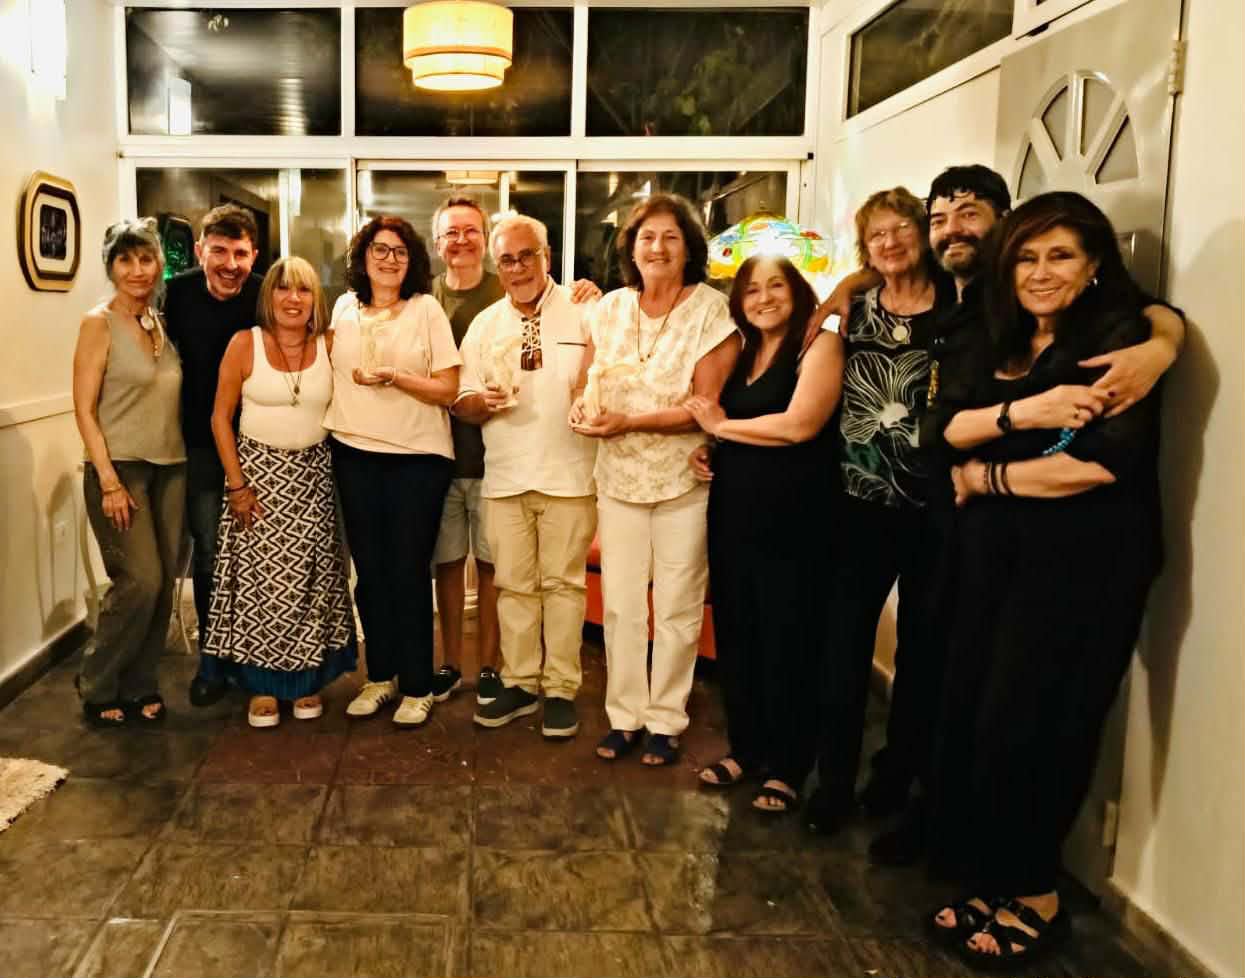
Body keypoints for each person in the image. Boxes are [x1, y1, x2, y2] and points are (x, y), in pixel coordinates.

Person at [926, 192, 1165, 969]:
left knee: (1037, 726)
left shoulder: (1118, 341)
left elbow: (1096, 464)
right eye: (1025, 256)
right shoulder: (994, 332)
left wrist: (983, 477)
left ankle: (1035, 894)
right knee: (979, 716)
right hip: (991, 556)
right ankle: (995, 877)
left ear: (1094, 263)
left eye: (1059, 255)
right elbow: (943, 429)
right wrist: (1024, 415)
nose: (1038, 272)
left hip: (1081, 564)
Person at [571, 193, 737, 766]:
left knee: (677, 605)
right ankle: (624, 717)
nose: (658, 247)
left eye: (670, 237)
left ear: (689, 248)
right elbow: (585, 380)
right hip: (617, 478)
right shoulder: (610, 308)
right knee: (620, 606)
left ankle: (666, 719)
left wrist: (629, 422)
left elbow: (704, 406)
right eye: (647, 237)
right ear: (631, 248)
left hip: (681, 481)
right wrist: (581, 407)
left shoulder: (711, 311)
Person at [429, 197, 603, 706]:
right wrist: (480, 403)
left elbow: (611, 374)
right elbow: (461, 399)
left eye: (528, 256)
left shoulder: (586, 311)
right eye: (507, 259)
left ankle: (562, 689)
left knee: (564, 588)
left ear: (547, 256)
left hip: (570, 477)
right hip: (504, 478)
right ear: (497, 265)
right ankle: (522, 682)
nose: (518, 267)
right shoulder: (486, 324)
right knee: (513, 588)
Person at [685, 256, 843, 812]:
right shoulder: (745, 351)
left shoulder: (819, 345)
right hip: (734, 510)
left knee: (789, 638)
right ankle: (746, 750)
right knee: (739, 634)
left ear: (797, 292)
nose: (764, 298)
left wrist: (720, 426)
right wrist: (712, 447)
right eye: (752, 290)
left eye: (776, 286)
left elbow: (801, 425)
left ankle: (788, 766)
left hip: (796, 516)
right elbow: (738, 429)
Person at [203, 257, 356, 728]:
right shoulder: (243, 344)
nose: (293, 299)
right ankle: (262, 687)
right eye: (283, 289)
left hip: (314, 478)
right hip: (256, 480)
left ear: (316, 299)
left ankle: (306, 683)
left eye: (304, 290)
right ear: (268, 296)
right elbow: (220, 418)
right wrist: (237, 485)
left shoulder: (330, 343)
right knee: (262, 585)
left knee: (312, 581)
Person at [326, 216, 460, 727]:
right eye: (380, 249)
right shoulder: (343, 307)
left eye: (400, 252)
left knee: (408, 570)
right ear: (363, 257)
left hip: (417, 457)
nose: (389, 259)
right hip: (353, 451)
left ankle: (418, 684)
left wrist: (397, 378)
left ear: (413, 261)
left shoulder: (426, 310)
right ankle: (380, 676)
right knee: (370, 573)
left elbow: (448, 388)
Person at [72, 219, 185, 726]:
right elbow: (84, 409)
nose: (137, 270)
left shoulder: (158, 322)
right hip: (121, 469)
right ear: (111, 267)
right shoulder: (98, 323)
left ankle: (140, 683)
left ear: (158, 264)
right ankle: (97, 680)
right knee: (139, 580)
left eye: (146, 259)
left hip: (172, 468)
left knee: (163, 586)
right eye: (125, 260)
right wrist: (109, 480)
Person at [164, 204, 262, 708]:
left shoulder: (266, 294)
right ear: (200, 251)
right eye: (219, 251)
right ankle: (213, 661)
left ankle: (256, 656)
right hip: (200, 446)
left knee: (257, 555)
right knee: (208, 554)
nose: (230, 264)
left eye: (240, 253)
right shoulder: (175, 295)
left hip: (260, 445)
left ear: (254, 256)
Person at [428, 197, 506, 705]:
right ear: (438, 244)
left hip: (498, 458)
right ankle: (452, 663)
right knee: (449, 564)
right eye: (451, 232)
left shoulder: (507, 291)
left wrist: (586, 290)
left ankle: (491, 667)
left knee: (493, 567)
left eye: (470, 230)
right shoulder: (424, 299)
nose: (461, 240)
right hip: (437, 458)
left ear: (486, 238)